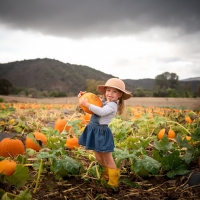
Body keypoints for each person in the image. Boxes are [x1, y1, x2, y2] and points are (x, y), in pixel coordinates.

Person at [78, 78, 132, 187]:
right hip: (94, 130)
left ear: (120, 95)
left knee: (107, 158)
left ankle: (113, 182)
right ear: (105, 91)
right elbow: (93, 101)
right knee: (98, 156)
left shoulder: (112, 106)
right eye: (108, 90)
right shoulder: (103, 101)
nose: (110, 94)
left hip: (101, 133)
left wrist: (88, 104)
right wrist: (83, 96)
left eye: (114, 91)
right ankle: (106, 176)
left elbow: (101, 112)